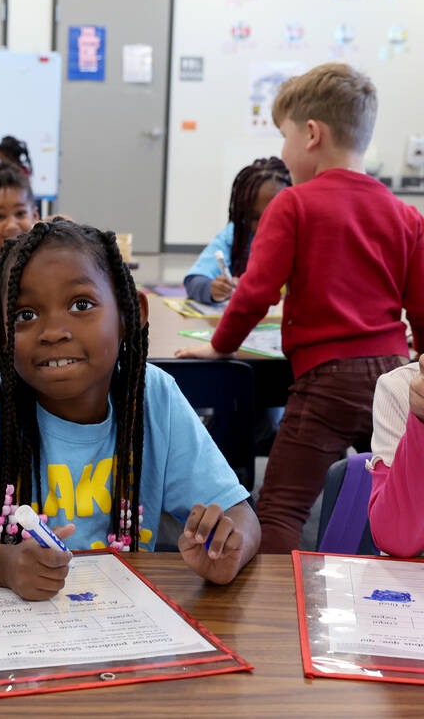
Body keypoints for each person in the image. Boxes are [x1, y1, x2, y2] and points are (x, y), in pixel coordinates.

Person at [0, 219, 258, 598]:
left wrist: (227, 550)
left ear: (132, 315)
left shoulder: (152, 399)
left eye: (81, 305)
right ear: (1, 333)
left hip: (117, 636)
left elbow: (241, 515)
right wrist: (0, 565)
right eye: (25, 314)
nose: (53, 332)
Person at [176, 62, 424, 553]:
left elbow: (255, 293)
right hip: (395, 376)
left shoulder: (294, 204)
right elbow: (419, 309)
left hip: (326, 383)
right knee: (398, 497)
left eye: (284, 137)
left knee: (281, 511)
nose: (283, 151)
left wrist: (220, 347)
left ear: (312, 134)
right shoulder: (405, 214)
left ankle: (277, 622)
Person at [183, 158, 290, 304]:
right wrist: (213, 289)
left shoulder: (305, 237)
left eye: (274, 215)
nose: (263, 226)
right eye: (253, 217)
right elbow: (195, 280)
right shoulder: (236, 235)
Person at [367, 356, 424, 556]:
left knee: (282, 509)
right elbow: (395, 540)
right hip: (413, 580)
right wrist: (420, 421)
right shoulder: (400, 388)